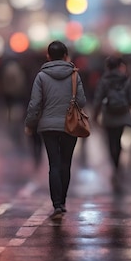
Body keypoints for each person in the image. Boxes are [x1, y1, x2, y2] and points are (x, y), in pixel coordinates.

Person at [25, 41, 87, 219]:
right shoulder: (75, 75)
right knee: (66, 163)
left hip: (48, 126)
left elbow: (35, 104)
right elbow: (82, 101)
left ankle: (57, 205)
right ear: (66, 56)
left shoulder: (41, 77)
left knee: (54, 164)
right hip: (71, 125)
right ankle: (63, 201)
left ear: (48, 56)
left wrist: (30, 123)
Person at [92, 56, 131, 188]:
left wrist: (95, 115)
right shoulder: (125, 79)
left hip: (109, 115)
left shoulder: (104, 80)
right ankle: (118, 164)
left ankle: (114, 165)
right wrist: (126, 105)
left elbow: (98, 98)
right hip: (122, 115)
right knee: (118, 140)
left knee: (111, 141)